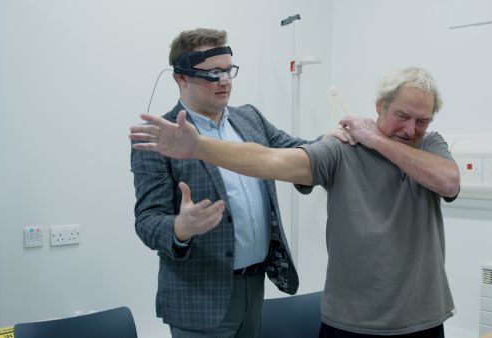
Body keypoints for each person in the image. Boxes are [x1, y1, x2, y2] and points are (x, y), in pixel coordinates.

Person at [130, 67, 461, 337]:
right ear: (380, 107)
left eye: (423, 121)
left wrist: (376, 139)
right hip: (351, 321)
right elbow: (272, 161)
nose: (410, 129)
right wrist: (200, 147)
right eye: (402, 116)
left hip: (424, 318)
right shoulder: (342, 150)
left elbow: (448, 181)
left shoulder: (431, 145)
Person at [131, 28, 349, 338]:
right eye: (213, 73)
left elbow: (297, 152)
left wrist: (334, 141)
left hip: (254, 285)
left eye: (228, 70)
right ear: (182, 78)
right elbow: (147, 221)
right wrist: (181, 227)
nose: (225, 80)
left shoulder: (250, 119)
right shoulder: (160, 139)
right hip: (199, 298)